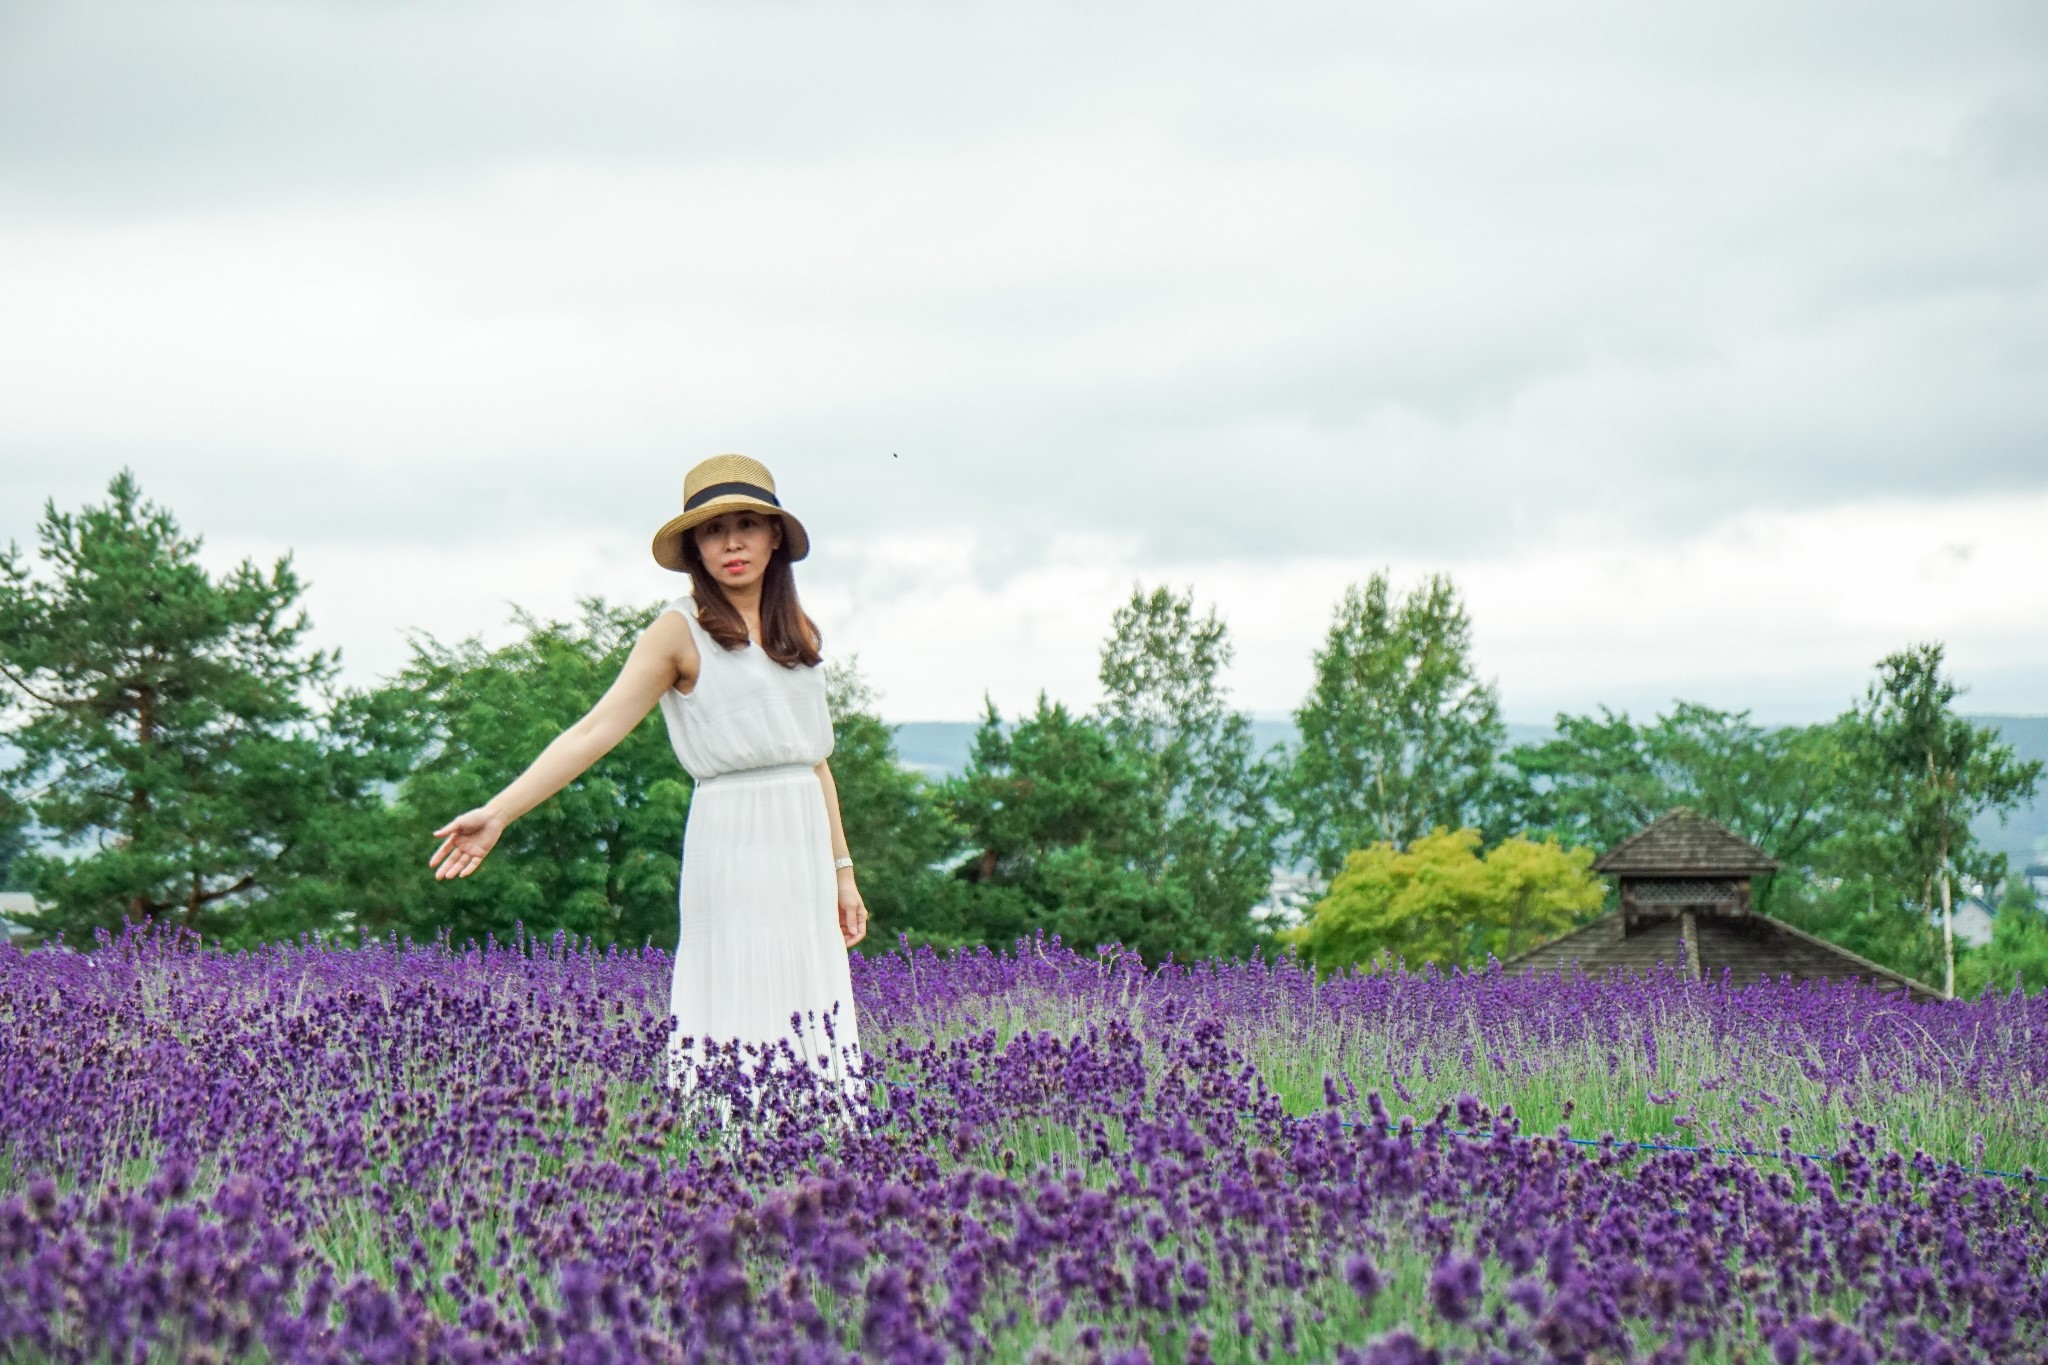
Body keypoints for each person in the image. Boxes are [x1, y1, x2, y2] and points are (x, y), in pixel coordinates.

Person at [427, 453, 868, 1111]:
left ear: (775, 536)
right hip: (732, 837)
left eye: (748, 524)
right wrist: (499, 810)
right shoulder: (677, 630)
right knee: (740, 992)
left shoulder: (798, 632)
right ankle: (732, 1160)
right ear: (695, 545)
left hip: (802, 842)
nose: (733, 543)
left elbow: (815, 760)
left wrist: (842, 870)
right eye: (714, 530)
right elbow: (593, 730)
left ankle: (821, 1165)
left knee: (811, 996)